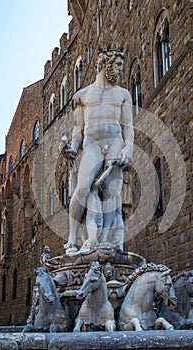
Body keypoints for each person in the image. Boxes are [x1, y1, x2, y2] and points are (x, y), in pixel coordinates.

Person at [64, 50, 134, 252]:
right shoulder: (82, 96)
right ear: (105, 64)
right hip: (92, 144)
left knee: (112, 193)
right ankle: (72, 239)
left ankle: (104, 241)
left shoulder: (123, 94)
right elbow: (78, 130)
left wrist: (128, 147)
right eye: (118, 65)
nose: (121, 70)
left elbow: (128, 125)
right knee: (83, 188)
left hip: (115, 142)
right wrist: (73, 148)